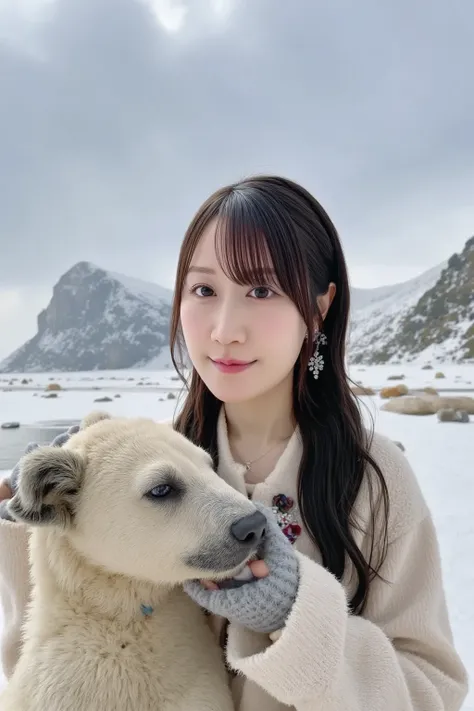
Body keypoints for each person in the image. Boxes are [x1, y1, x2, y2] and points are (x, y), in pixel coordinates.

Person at [0, 175, 468, 711]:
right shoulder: (146, 474)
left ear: (319, 307)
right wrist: (37, 533)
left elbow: (431, 693)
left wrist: (295, 615)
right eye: (204, 290)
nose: (224, 329)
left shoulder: (372, 478)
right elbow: (45, 681)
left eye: (261, 291)